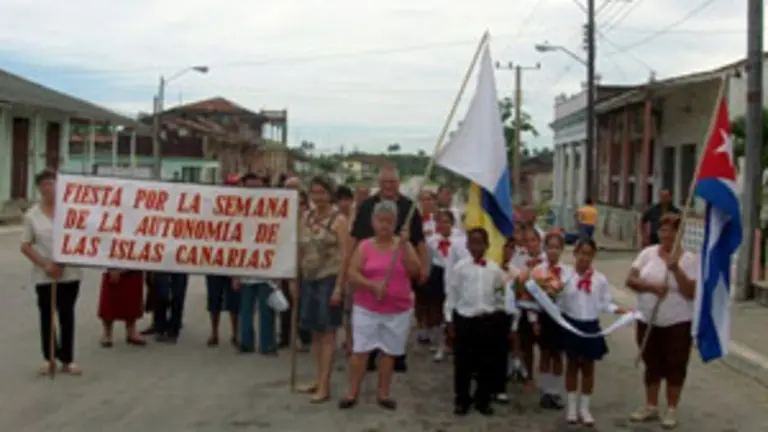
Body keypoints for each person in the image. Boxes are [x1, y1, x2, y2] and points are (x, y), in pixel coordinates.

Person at [339, 200, 421, 410]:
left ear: (396, 223)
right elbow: (352, 273)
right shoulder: (365, 246)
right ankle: (352, 392)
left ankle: (383, 393)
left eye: (389, 221)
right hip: (367, 308)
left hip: (397, 310)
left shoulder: (403, 245)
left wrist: (405, 245)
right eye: (381, 220)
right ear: (373, 221)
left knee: (388, 351)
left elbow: (415, 271)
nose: (385, 225)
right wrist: (371, 285)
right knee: (360, 350)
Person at [349, 167, 428, 373]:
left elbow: (419, 240)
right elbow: (354, 237)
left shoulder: (410, 207)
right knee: (369, 318)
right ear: (379, 183)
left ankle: (396, 355)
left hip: (401, 266)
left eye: (392, 182)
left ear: (398, 183)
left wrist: (424, 265)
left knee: (396, 321)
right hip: (370, 265)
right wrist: (347, 263)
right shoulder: (367, 206)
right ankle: (369, 355)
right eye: (385, 182)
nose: (388, 186)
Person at [625, 213, 697, 429]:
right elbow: (630, 279)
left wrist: (675, 269)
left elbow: (691, 292)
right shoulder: (648, 253)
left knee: (676, 364)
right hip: (648, 319)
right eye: (663, 229)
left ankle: (672, 408)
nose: (666, 234)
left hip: (677, 322)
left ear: (680, 234)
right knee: (651, 363)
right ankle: (651, 405)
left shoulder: (690, 259)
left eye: (672, 230)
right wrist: (651, 287)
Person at [20, 170, 83, 375]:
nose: (48, 188)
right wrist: (45, 264)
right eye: (44, 185)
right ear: (39, 189)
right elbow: (26, 245)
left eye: (51, 184)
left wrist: (62, 262)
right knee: (47, 315)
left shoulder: (71, 210)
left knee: (67, 314)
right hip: (44, 274)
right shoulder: (32, 215)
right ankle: (49, 357)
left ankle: (68, 359)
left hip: (69, 272)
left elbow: (81, 238)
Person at [560, 239, 628, 426]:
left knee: (588, 368)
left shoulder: (600, 279)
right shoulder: (565, 277)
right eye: (582, 253)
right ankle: (571, 408)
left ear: (593, 256)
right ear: (575, 253)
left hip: (590, 326)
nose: (585, 258)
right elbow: (557, 300)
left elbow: (605, 303)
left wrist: (620, 310)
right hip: (571, 324)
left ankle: (585, 408)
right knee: (572, 365)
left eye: (589, 254)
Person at [295, 176, 350, 403]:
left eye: (322, 192)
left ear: (330, 194)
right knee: (315, 332)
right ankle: (318, 378)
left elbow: (345, 256)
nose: (318, 197)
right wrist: (295, 278)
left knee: (327, 333)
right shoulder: (306, 217)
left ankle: (325, 385)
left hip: (329, 279)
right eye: (314, 192)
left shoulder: (339, 220)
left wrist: (339, 287)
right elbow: (299, 248)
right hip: (309, 278)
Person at [445, 228, 510, 416]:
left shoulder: (494, 269)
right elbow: (452, 294)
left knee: (486, 362)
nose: (476, 247)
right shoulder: (460, 268)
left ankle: (483, 399)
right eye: (472, 242)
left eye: (480, 242)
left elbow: (500, 295)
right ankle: (462, 399)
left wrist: (500, 313)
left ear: (487, 245)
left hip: (487, 320)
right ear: (467, 245)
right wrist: (449, 320)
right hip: (465, 319)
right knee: (463, 362)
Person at [235, 172, 277, 355]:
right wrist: (235, 274)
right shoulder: (236, 210)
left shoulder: (273, 208)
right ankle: (246, 343)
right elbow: (232, 243)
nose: (254, 190)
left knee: (267, 310)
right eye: (250, 186)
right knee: (246, 310)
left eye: (257, 186)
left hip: (267, 270)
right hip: (245, 270)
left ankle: (267, 345)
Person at [531, 231, 569, 410]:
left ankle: (556, 391)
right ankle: (546, 391)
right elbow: (531, 299)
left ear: (561, 249)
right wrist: (534, 320)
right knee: (545, 353)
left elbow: (570, 297)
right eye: (550, 247)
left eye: (557, 247)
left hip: (560, 317)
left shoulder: (568, 272)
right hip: (544, 316)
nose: (553, 251)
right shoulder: (538, 271)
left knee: (558, 355)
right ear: (545, 248)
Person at [425, 210, 467, 362]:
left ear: (452, 223)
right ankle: (440, 343)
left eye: (446, 222)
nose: (443, 225)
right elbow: (429, 260)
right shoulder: (431, 241)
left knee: (454, 307)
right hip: (438, 273)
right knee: (437, 309)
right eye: (439, 222)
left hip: (455, 274)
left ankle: (453, 342)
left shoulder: (460, 239)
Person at [509, 227, 546, 392]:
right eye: (527, 241)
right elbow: (514, 281)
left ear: (539, 241)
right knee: (527, 344)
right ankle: (529, 375)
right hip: (524, 307)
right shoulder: (519, 259)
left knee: (545, 347)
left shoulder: (546, 260)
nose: (531, 244)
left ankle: (546, 380)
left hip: (544, 310)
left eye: (534, 240)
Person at [98, 269, 146, 347]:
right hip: (115, 266)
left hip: (135, 267)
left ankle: (131, 332)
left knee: (133, 299)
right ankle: (107, 333)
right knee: (110, 300)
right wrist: (112, 268)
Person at [336, 185, 356, 356]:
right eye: (340, 200)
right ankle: (347, 339)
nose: (344, 203)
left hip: (354, 266)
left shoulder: (356, 218)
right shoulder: (335, 219)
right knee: (344, 308)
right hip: (338, 266)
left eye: (347, 200)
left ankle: (352, 339)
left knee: (352, 307)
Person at [416, 189, 439, 344]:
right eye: (423, 199)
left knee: (434, 299)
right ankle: (421, 326)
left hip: (437, 263)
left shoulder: (439, 219)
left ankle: (433, 326)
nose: (426, 202)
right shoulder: (416, 220)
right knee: (420, 297)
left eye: (429, 199)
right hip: (420, 262)